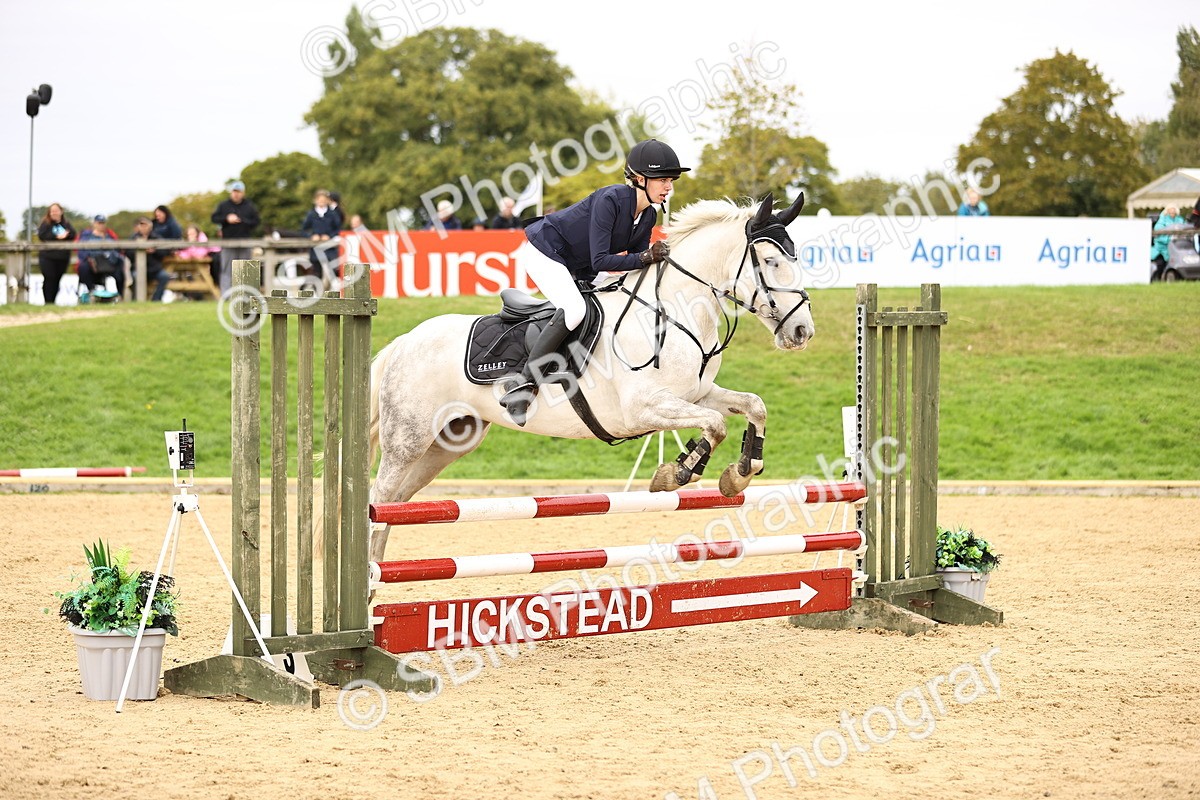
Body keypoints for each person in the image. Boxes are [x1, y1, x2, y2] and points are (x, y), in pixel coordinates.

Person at [499, 138, 688, 425]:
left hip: (580, 266)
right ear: (639, 179)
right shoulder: (610, 200)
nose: (669, 187)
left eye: (670, 180)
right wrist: (647, 256)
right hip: (545, 251)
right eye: (662, 180)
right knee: (575, 310)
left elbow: (634, 264)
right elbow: (603, 260)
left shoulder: (648, 214)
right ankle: (521, 386)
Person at [210, 180, 261, 292]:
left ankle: (245, 295)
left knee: (245, 270)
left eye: (238, 191)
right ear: (231, 192)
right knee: (227, 270)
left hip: (245, 242)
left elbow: (256, 222)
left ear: (243, 193)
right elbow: (214, 218)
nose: (236, 194)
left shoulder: (249, 206)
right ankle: (226, 296)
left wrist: (242, 221)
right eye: (234, 191)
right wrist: (226, 219)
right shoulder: (223, 206)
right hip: (228, 243)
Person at [36, 203, 77, 305]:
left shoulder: (66, 224)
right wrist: (57, 237)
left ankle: (52, 302)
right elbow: (42, 236)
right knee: (49, 278)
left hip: (62, 257)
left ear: (61, 211)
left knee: (57, 280)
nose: (54, 213)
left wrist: (65, 236)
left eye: (56, 210)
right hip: (47, 257)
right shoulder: (46, 224)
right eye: (52, 211)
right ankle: (48, 301)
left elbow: (73, 234)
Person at [76, 214, 125, 301]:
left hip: (109, 263)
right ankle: (91, 292)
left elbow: (117, 251)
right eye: (99, 223)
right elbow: (82, 252)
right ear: (94, 224)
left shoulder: (110, 236)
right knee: (83, 267)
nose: (101, 225)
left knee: (120, 265)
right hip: (93, 264)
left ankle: (121, 295)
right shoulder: (86, 236)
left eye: (103, 223)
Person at [301, 189, 343, 278]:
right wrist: (311, 236)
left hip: (330, 249)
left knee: (334, 272)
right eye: (320, 200)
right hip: (316, 249)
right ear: (315, 201)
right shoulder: (311, 214)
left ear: (327, 201)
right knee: (317, 273)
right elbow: (303, 230)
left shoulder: (332, 214)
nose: (322, 202)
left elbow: (338, 229)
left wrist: (329, 236)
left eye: (324, 200)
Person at [1151, 205, 1186, 281]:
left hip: (1177, 246)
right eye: (1170, 210)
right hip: (1162, 248)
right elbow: (1158, 235)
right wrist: (1169, 239)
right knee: (1160, 264)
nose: (1172, 212)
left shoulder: (1180, 220)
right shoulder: (1161, 221)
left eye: (1173, 210)